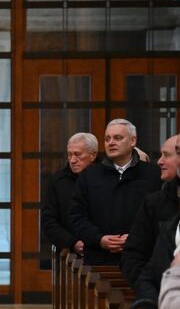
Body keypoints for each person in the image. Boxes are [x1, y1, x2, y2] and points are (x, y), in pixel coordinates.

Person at [70, 119, 161, 266]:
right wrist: (99, 239)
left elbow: (162, 218)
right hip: (99, 261)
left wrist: (136, 238)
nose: (111, 142)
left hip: (142, 260)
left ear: (133, 141)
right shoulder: (90, 175)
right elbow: (76, 216)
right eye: (107, 139)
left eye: (117, 138)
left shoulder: (153, 175)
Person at [121, 134, 180, 285]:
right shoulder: (154, 203)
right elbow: (133, 255)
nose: (159, 161)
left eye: (166, 155)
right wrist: (149, 292)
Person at [41, 133, 97, 255]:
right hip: (69, 251)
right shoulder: (58, 181)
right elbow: (49, 220)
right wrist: (72, 242)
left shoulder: (105, 178)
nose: (72, 160)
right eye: (69, 154)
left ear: (93, 155)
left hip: (100, 248)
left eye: (77, 154)